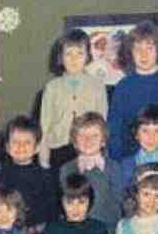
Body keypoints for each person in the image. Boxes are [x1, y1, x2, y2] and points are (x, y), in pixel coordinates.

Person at [107, 21, 158, 160]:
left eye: (149, 48)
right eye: (138, 49)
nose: (144, 55)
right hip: (130, 161)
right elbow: (115, 132)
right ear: (130, 53)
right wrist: (119, 162)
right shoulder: (123, 87)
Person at [39, 28, 108, 172]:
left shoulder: (97, 86)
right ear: (60, 57)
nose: (74, 59)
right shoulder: (52, 88)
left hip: (88, 149)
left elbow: (102, 121)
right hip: (58, 149)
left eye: (80, 54)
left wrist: (100, 152)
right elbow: (45, 125)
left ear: (88, 56)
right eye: (68, 54)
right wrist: (43, 157)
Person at [0, 115, 59, 234]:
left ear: (37, 148)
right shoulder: (0, 177)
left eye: (27, 142)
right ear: (7, 147)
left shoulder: (46, 176)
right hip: (9, 232)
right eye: (15, 142)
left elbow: (53, 211)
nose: (21, 146)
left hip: (39, 233)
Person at [58, 111, 120, 234]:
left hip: (106, 232)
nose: (88, 140)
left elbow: (119, 203)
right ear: (75, 142)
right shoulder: (66, 169)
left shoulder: (114, 168)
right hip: (74, 231)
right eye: (82, 135)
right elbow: (63, 203)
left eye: (94, 136)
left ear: (103, 141)